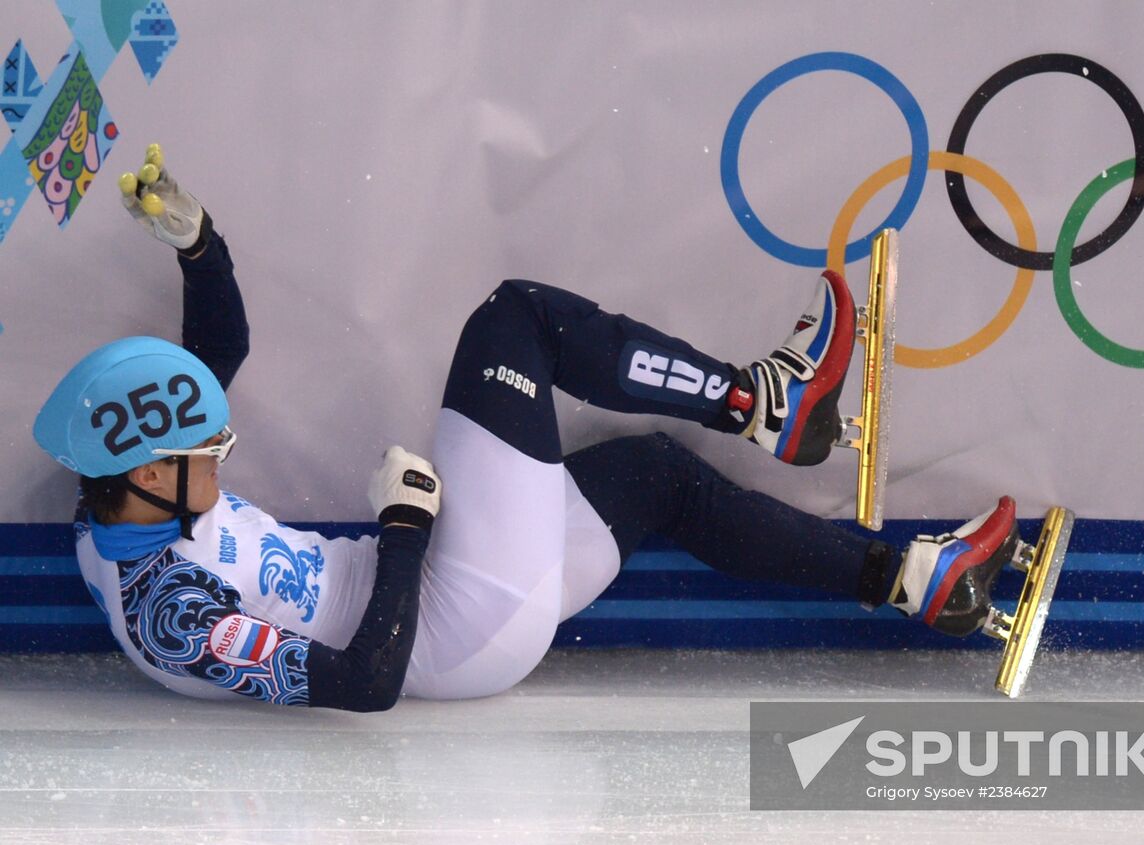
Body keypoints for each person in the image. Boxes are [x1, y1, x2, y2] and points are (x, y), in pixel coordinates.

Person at [32, 147, 1021, 712]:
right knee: (518, 319)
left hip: (461, 599)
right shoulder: (168, 611)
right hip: (443, 624)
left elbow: (220, 349)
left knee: (655, 478)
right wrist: (404, 529)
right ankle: (770, 401)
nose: (222, 453)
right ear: (150, 472)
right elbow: (366, 684)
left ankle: (908, 581)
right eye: (207, 453)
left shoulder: (119, 500)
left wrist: (200, 249)